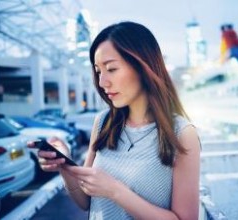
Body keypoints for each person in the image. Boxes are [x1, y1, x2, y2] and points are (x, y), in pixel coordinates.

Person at [33, 21, 200, 220]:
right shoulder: (103, 122)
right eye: (98, 71)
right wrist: (65, 165)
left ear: (143, 66)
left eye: (111, 69)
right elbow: (85, 201)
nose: (102, 82)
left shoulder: (182, 133)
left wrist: (115, 191)